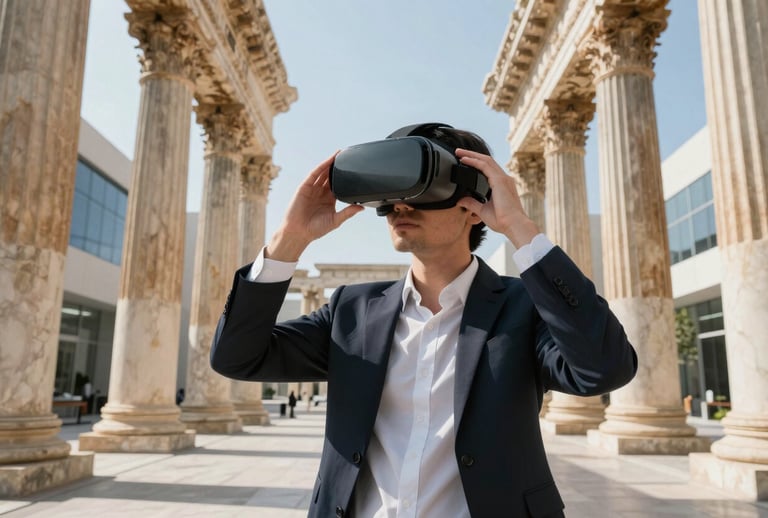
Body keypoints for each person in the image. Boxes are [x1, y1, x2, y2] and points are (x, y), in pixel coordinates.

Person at [210, 124, 637, 517]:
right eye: (391, 192)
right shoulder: (351, 311)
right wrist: (290, 239)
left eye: (422, 190)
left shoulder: (523, 307)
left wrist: (521, 229)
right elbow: (237, 358)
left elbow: (603, 369)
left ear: (474, 205)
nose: (400, 206)